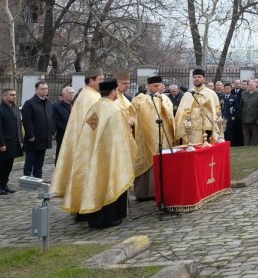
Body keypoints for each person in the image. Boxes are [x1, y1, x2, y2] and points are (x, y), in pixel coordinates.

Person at [62, 79, 135, 229]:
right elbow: (121, 137)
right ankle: (109, 218)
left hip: (94, 153)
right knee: (110, 184)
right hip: (110, 156)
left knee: (96, 183)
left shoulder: (94, 108)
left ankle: (95, 217)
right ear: (113, 92)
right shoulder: (115, 111)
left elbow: (90, 131)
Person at [131, 76, 172, 201]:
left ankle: (162, 190)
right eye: (155, 86)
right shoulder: (139, 99)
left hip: (163, 136)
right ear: (149, 87)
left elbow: (170, 114)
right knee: (146, 163)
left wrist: (161, 100)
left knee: (161, 162)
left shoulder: (165, 98)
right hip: (145, 137)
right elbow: (137, 114)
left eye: (160, 85)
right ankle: (144, 193)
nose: (159, 88)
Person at [174, 68, 222, 145]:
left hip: (206, 128)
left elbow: (215, 112)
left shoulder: (211, 94)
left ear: (204, 79)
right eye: (195, 77)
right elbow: (181, 113)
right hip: (189, 128)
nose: (196, 79)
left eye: (199, 77)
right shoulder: (188, 94)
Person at [0, 88, 23, 195]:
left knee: (9, 165)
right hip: (4, 143)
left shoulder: (16, 109)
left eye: (15, 94)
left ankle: (4, 184)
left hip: (13, 142)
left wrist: (20, 140)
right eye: (11, 95)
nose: (14, 96)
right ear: (4, 96)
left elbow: (18, 126)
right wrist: (1, 143)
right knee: (1, 166)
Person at [21, 81, 54, 180]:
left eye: (46, 88)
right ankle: (26, 179)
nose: (45, 90)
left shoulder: (48, 102)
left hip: (44, 137)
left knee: (40, 161)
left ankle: (38, 178)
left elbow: (52, 118)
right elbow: (27, 121)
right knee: (30, 160)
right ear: (36, 90)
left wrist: (52, 132)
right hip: (34, 138)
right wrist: (30, 135)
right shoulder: (29, 103)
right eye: (42, 89)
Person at [53, 85, 74, 162]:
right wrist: (69, 129)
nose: (72, 95)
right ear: (64, 95)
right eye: (69, 93)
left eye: (73, 93)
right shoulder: (57, 106)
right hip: (62, 135)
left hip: (74, 136)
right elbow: (56, 121)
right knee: (60, 156)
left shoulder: (76, 105)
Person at [240, 79, 258, 147]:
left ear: (255, 85)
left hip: (255, 117)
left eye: (252, 84)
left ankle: (254, 145)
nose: (250, 86)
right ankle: (246, 145)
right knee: (245, 133)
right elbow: (241, 105)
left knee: (255, 134)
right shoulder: (244, 93)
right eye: (249, 84)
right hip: (245, 116)